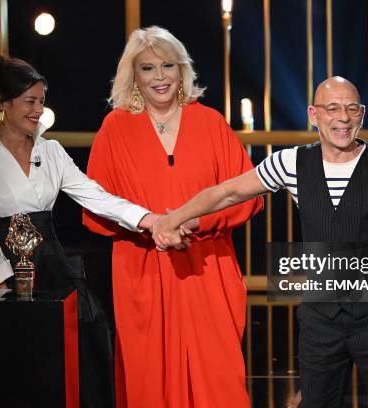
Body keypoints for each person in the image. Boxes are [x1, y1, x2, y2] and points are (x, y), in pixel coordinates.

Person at [152, 76, 368, 407]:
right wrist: (174, 217)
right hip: (320, 316)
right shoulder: (291, 163)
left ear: (362, 115)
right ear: (314, 114)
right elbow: (228, 192)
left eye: (352, 108)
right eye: (333, 108)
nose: (343, 117)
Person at [0, 54, 161, 408]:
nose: (39, 110)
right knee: (12, 377)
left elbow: (95, 196)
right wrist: (10, 294)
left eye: (42, 101)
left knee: (78, 358)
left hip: (53, 272)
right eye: (30, 102)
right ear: (1, 103)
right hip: (2, 283)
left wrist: (149, 219)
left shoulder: (51, 151)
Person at [82, 26, 263, 407]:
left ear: (182, 71)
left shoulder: (212, 123)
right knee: (151, 383)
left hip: (207, 266)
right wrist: (153, 227)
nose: (160, 77)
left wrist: (194, 222)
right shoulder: (115, 129)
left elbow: (246, 197)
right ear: (134, 75)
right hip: (142, 271)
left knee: (219, 381)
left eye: (168, 66)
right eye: (148, 68)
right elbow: (96, 205)